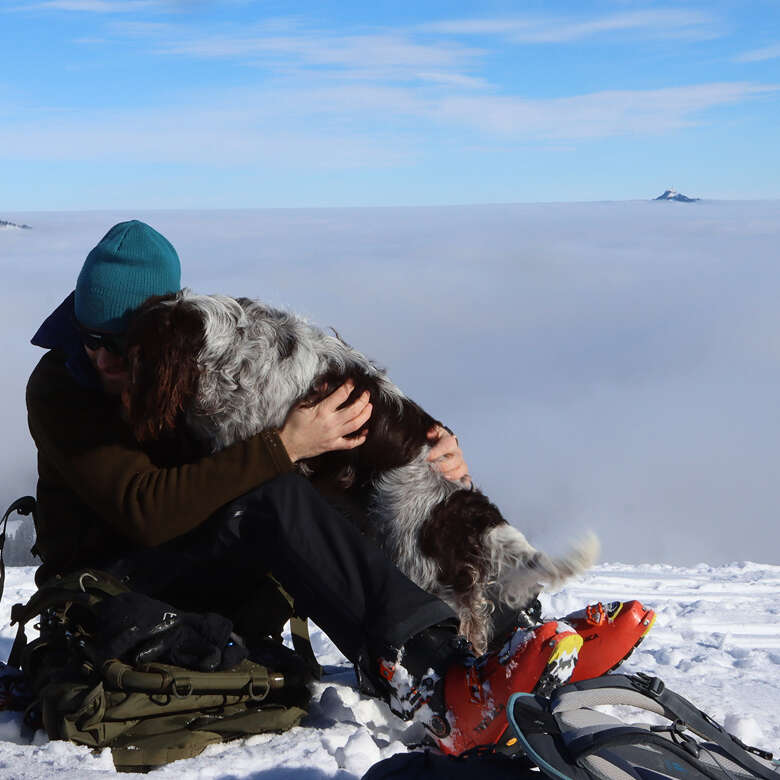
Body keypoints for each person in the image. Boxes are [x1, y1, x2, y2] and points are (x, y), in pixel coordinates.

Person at [26, 220, 652, 756]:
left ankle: (513, 631)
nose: (106, 360)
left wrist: (429, 448)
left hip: (197, 565)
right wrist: (284, 447)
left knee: (344, 481)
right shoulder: (61, 389)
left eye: (125, 344)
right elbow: (146, 512)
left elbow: (319, 421)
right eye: (92, 340)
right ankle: (435, 679)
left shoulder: (180, 365)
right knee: (266, 489)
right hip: (110, 589)